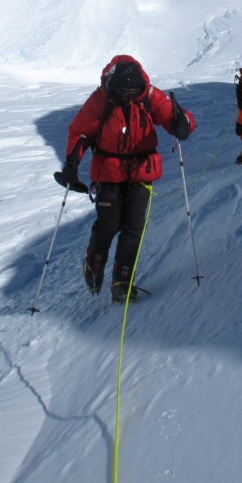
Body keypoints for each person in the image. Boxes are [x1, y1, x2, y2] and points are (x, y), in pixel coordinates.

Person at [55, 55, 195, 303]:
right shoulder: (101, 99)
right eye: (124, 93)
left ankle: (122, 281)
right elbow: (80, 131)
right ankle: (93, 265)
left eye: (134, 93)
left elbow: (174, 116)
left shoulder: (149, 95)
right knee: (108, 224)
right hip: (108, 172)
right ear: (114, 87)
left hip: (142, 171)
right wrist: (72, 161)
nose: (129, 97)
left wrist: (182, 123)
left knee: (133, 227)